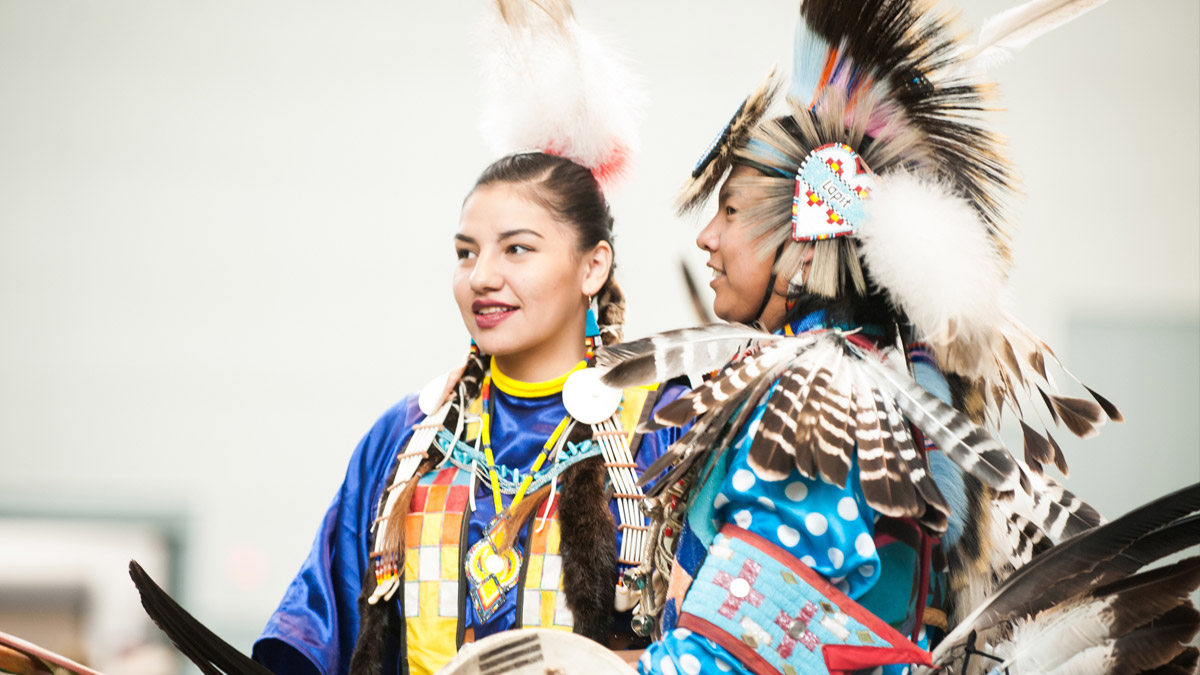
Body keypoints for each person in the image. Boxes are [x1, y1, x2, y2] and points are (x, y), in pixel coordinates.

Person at [594, 0, 1137, 673]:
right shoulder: (886, 375)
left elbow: (746, 652)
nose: (706, 237)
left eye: (730, 210)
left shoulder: (821, 387)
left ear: (800, 244)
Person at [249, 2, 682, 674]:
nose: (482, 277)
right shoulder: (403, 441)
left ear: (592, 266)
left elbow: (719, 641)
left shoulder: (663, 429)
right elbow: (317, 630)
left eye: (517, 249)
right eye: (464, 252)